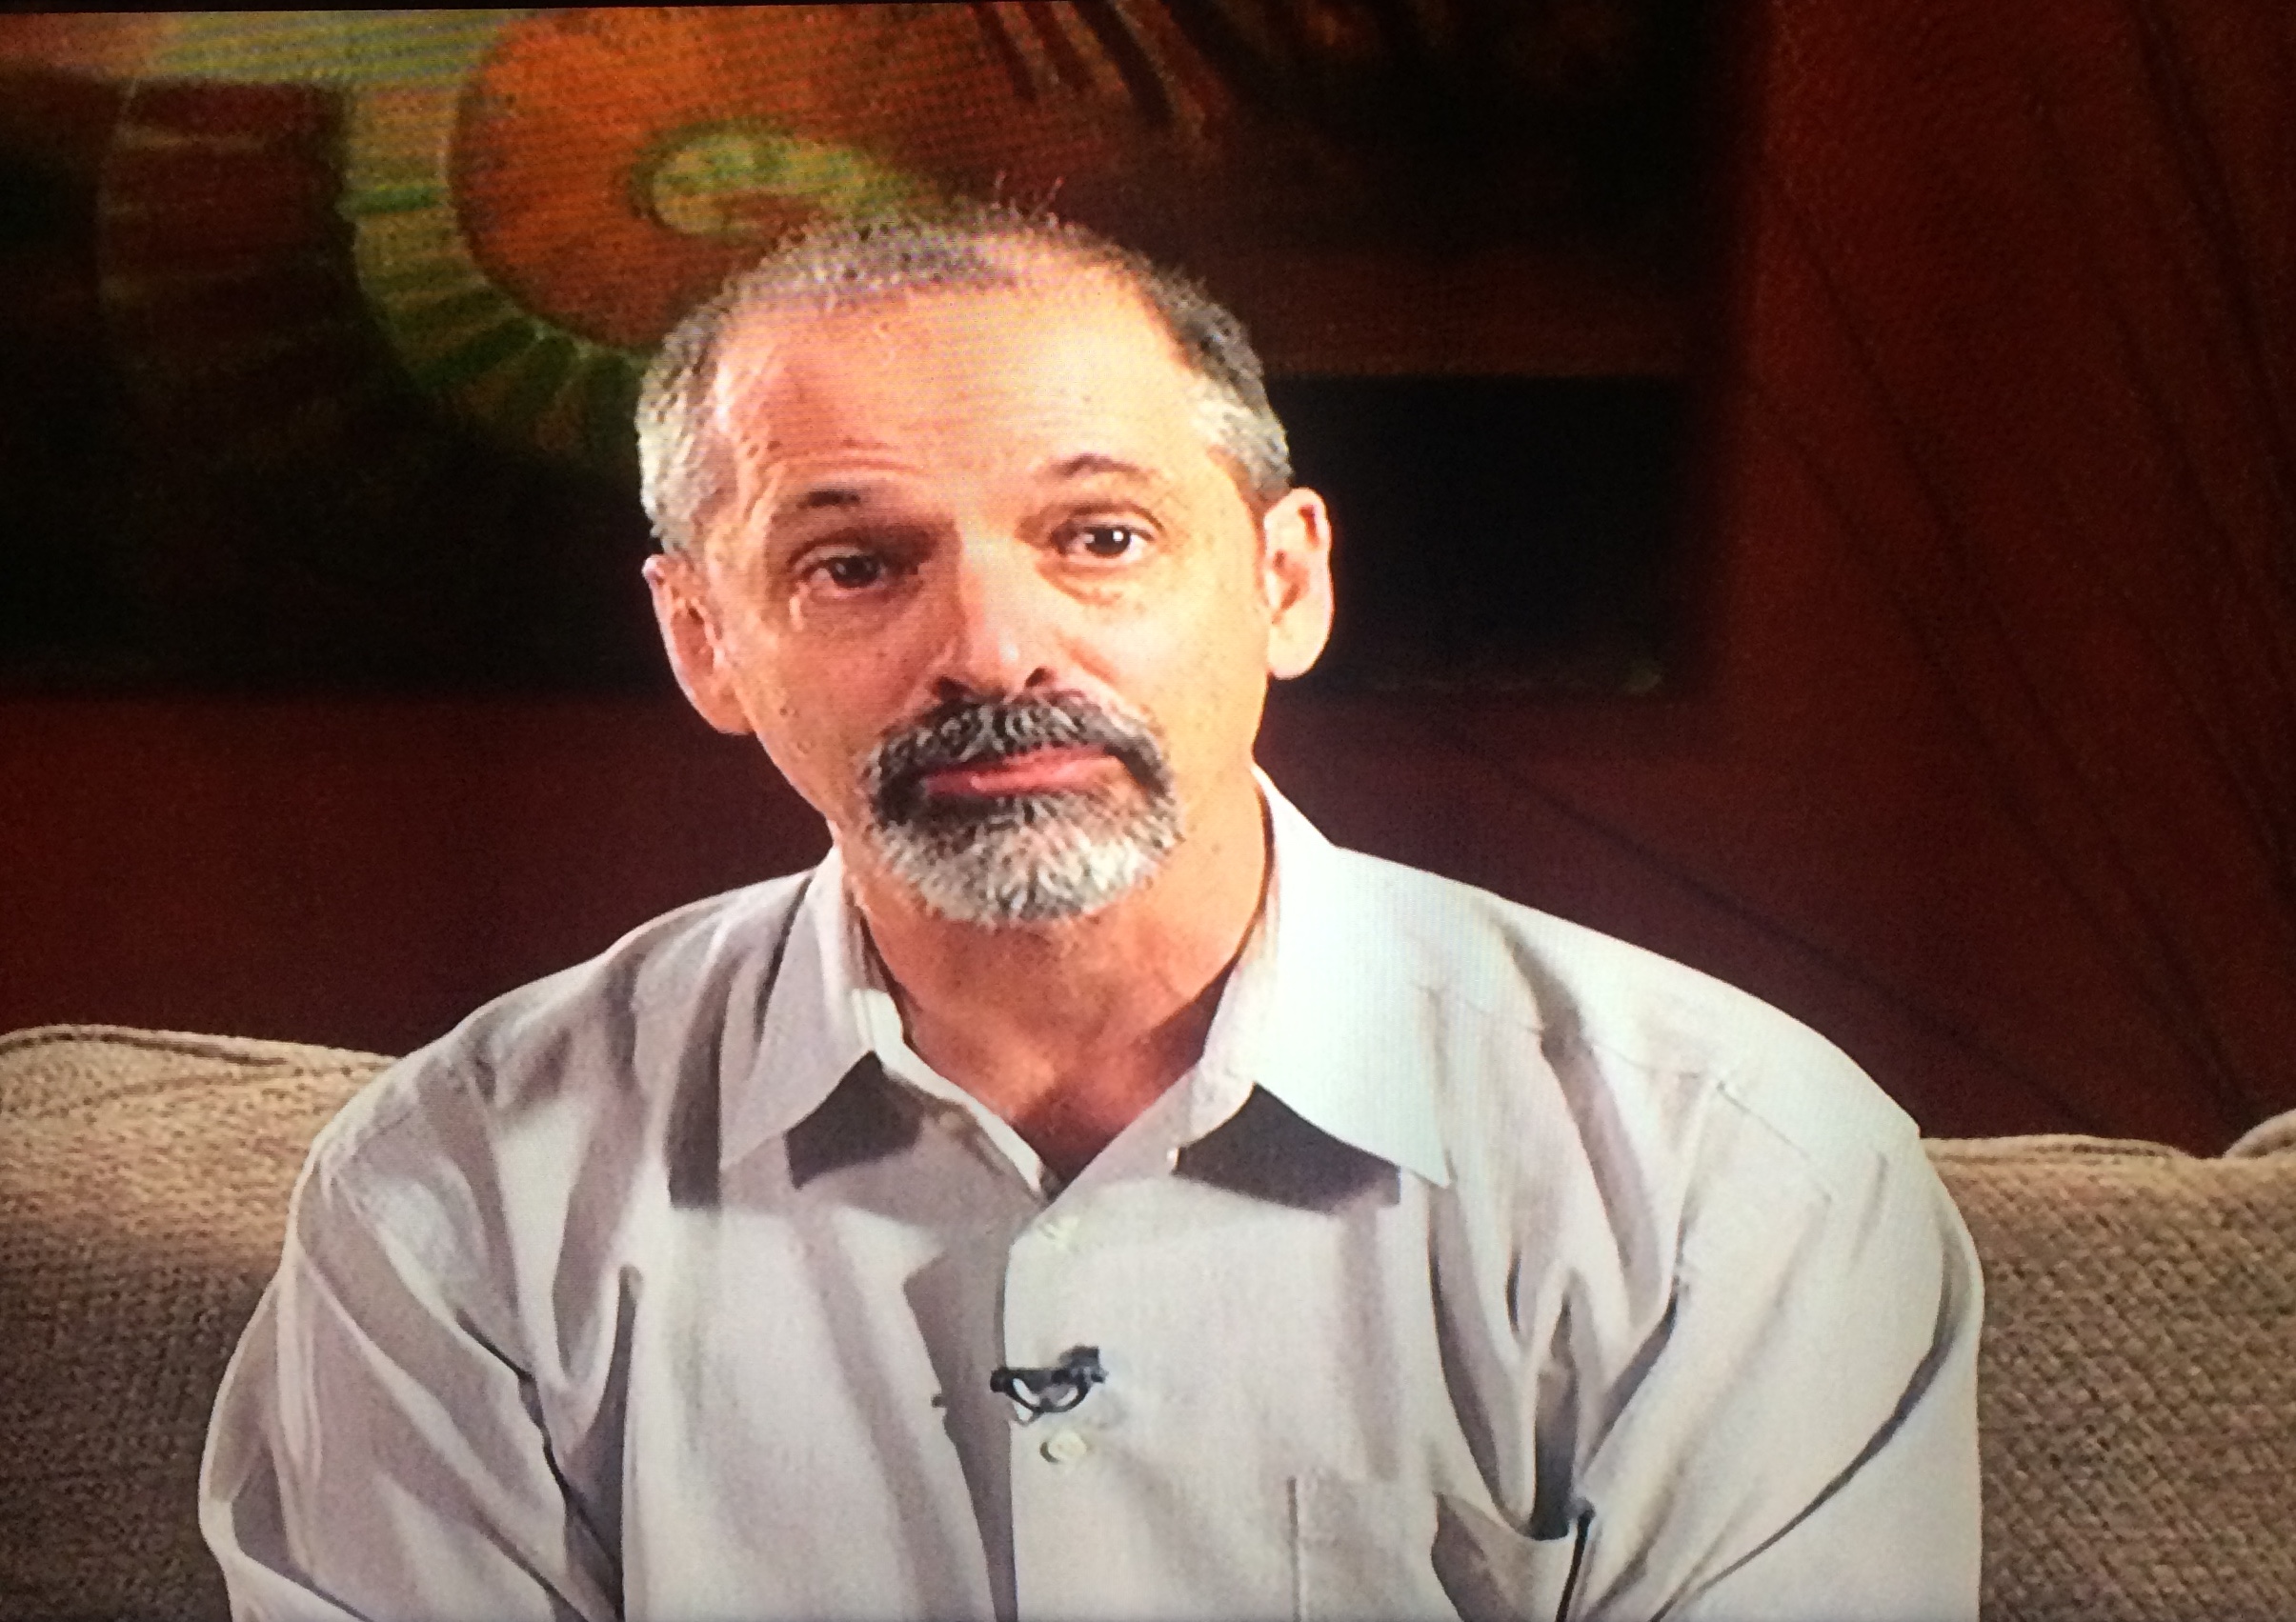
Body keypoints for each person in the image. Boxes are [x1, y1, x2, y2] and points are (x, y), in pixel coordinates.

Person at [200, 208, 1982, 1622]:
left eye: (1100, 538)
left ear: (1283, 581)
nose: (993, 651)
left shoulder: (1725, 1169)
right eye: (857, 563)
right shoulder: (463, 1188)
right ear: (705, 641)